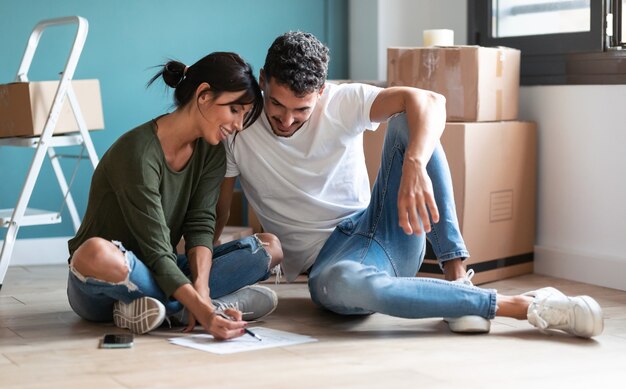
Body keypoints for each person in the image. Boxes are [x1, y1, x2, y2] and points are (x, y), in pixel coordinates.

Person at [217, 31, 604, 338]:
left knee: (408, 118)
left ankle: (463, 279)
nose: (286, 120)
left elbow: (431, 100)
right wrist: (208, 266)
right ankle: (497, 303)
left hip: (379, 229)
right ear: (264, 82)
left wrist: (415, 164)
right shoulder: (238, 129)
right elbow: (218, 207)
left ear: (320, 92)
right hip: (333, 264)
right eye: (277, 106)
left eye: (301, 109)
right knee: (334, 287)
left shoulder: (341, 100)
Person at [67, 52, 283, 340]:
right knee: (94, 252)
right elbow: (156, 251)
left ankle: (156, 308)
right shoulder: (138, 152)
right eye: (234, 110)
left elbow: (201, 225)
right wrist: (207, 313)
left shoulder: (212, 151)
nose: (238, 125)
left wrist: (202, 290)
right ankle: (185, 309)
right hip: (107, 277)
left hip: (164, 266)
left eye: (244, 115)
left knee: (270, 247)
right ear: (204, 95)